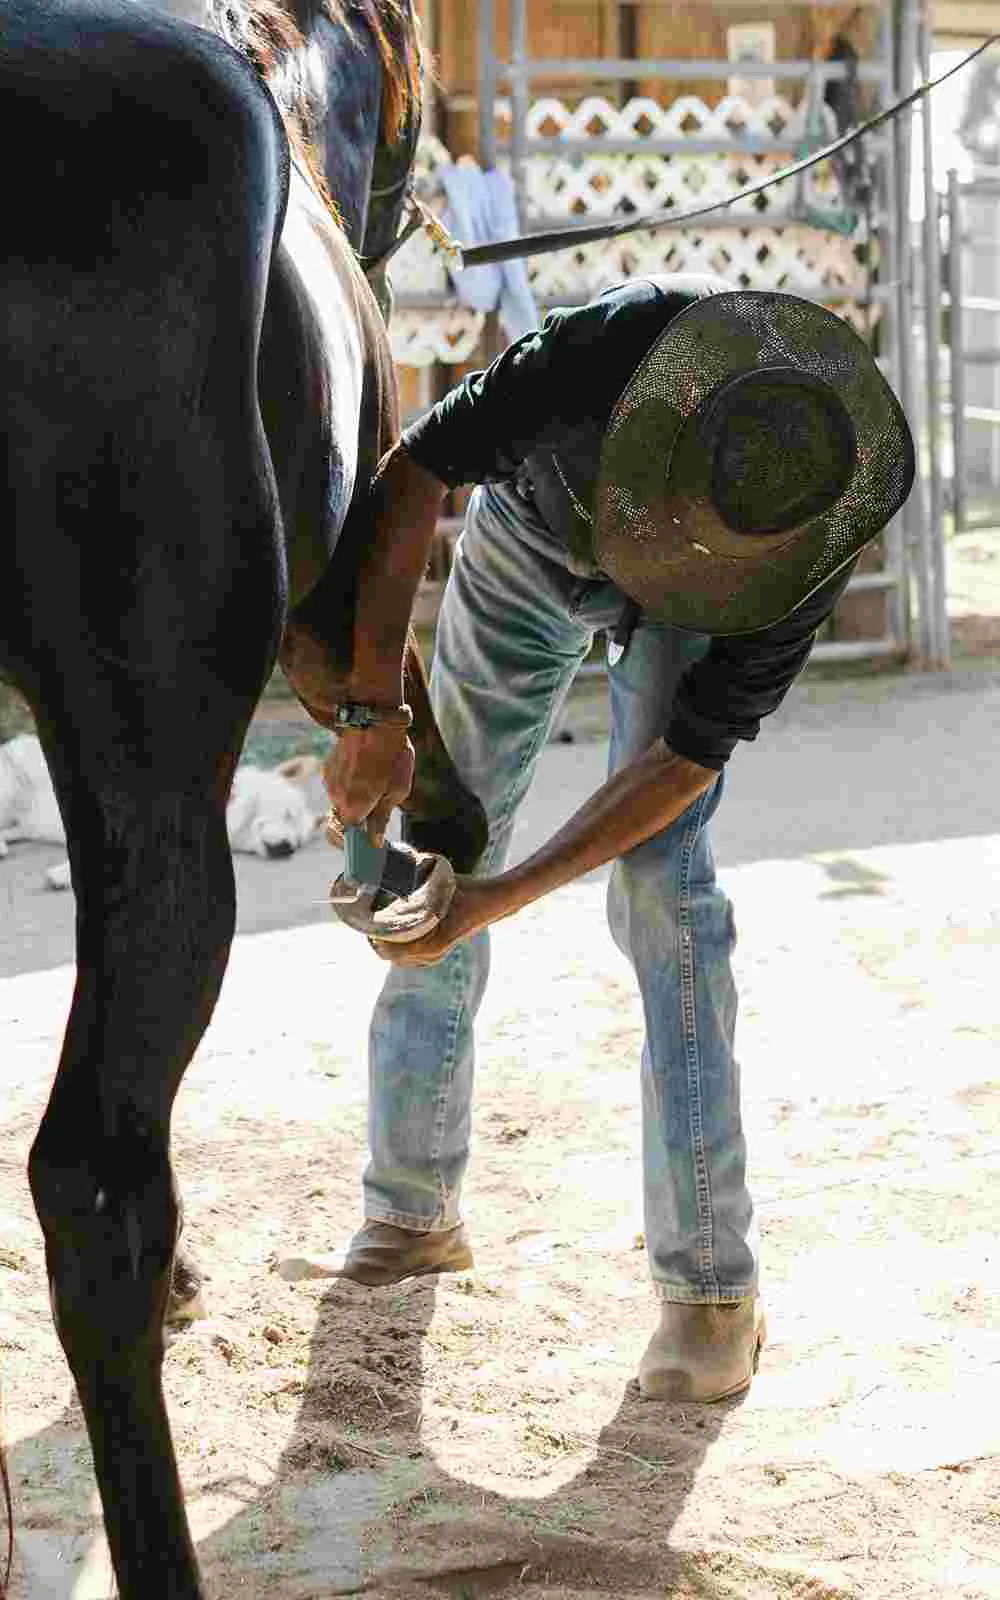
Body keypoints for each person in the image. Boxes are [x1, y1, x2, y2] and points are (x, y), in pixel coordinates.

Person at [306, 275, 914, 1402]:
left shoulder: (806, 521)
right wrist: (375, 713)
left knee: (665, 892)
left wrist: (508, 897)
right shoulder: (597, 352)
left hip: (701, 607)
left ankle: (709, 1290)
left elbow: (678, 766)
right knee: (447, 834)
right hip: (532, 540)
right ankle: (408, 1207)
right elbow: (415, 472)